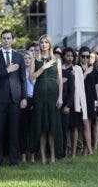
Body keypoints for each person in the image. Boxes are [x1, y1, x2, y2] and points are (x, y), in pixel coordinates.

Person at [0, 30, 27, 166]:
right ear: (1, 40)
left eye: (8, 38)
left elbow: (23, 79)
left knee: (14, 130)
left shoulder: (19, 57)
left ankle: (13, 161)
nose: (6, 40)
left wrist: (24, 98)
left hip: (16, 99)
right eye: (4, 38)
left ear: (12, 40)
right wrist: (7, 71)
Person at [29, 34, 64, 164]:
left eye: (46, 42)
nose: (44, 44)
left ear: (50, 44)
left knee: (52, 126)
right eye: (41, 42)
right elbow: (31, 77)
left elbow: (60, 79)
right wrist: (43, 67)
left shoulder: (56, 60)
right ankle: (43, 157)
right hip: (39, 95)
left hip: (53, 95)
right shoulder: (35, 59)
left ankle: (53, 156)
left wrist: (60, 96)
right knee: (42, 126)